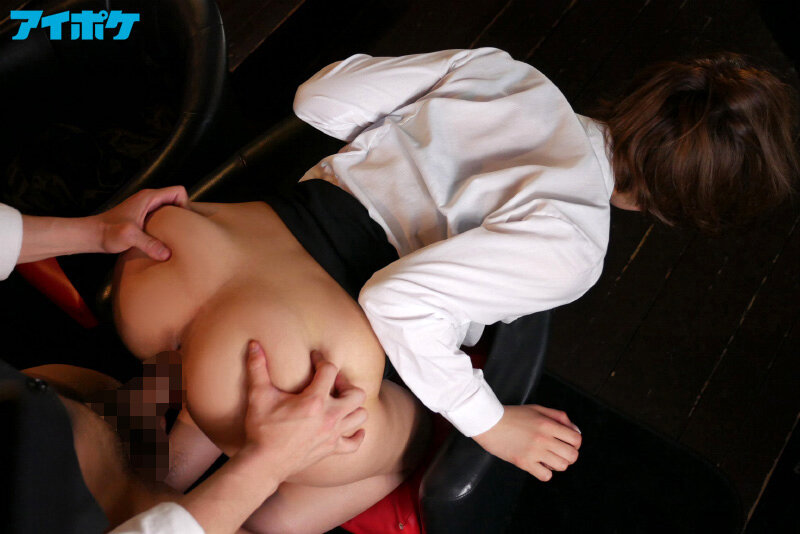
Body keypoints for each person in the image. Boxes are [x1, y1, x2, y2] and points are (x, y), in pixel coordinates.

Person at [291, 47, 799, 480]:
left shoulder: (503, 71)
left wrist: (400, 143)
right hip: (341, 306)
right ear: (680, 204)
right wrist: (491, 424)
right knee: (413, 449)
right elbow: (396, 302)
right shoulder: (574, 245)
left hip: (290, 213)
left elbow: (316, 99)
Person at [0, 187, 369, 533]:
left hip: (88, 430)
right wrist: (95, 232)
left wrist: (267, 463)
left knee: (282, 516)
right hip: (188, 256)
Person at [111, 189, 433, 533]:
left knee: (270, 521)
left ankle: (144, 492)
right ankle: (145, 489)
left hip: (267, 358)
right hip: (176, 246)